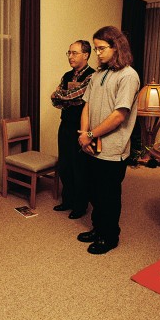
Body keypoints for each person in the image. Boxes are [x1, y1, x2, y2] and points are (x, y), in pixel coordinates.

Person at [75, 26, 140, 255]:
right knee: (93, 191)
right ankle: (97, 228)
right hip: (91, 145)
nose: (98, 53)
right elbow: (87, 106)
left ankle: (109, 236)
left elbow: (118, 115)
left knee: (108, 195)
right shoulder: (98, 75)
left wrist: (92, 134)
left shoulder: (128, 76)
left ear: (116, 47)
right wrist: (85, 136)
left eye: (102, 48)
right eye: (95, 49)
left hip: (113, 149)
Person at [50, 40, 95, 219]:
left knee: (79, 167)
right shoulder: (67, 75)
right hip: (65, 124)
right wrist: (67, 98)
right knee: (65, 165)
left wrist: (65, 97)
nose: (70, 56)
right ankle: (67, 200)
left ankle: (80, 205)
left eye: (74, 53)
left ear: (86, 55)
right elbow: (55, 100)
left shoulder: (92, 76)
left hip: (81, 127)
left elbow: (78, 96)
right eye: (69, 53)